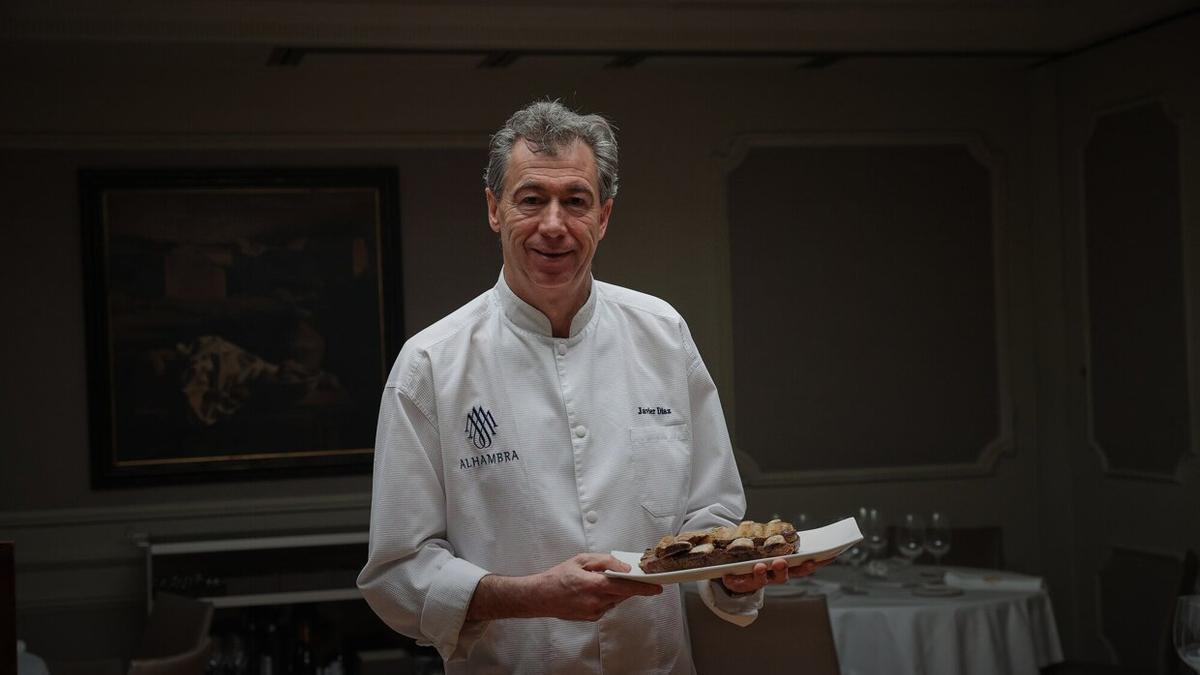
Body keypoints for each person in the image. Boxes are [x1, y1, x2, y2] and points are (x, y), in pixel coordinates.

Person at [357, 100, 816, 674]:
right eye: (532, 199)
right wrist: (531, 596)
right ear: (494, 210)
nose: (554, 224)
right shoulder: (431, 363)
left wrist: (731, 571)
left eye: (576, 200)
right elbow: (396, 574)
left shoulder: (663, 334)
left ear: (603, 217)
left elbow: (710, 512)